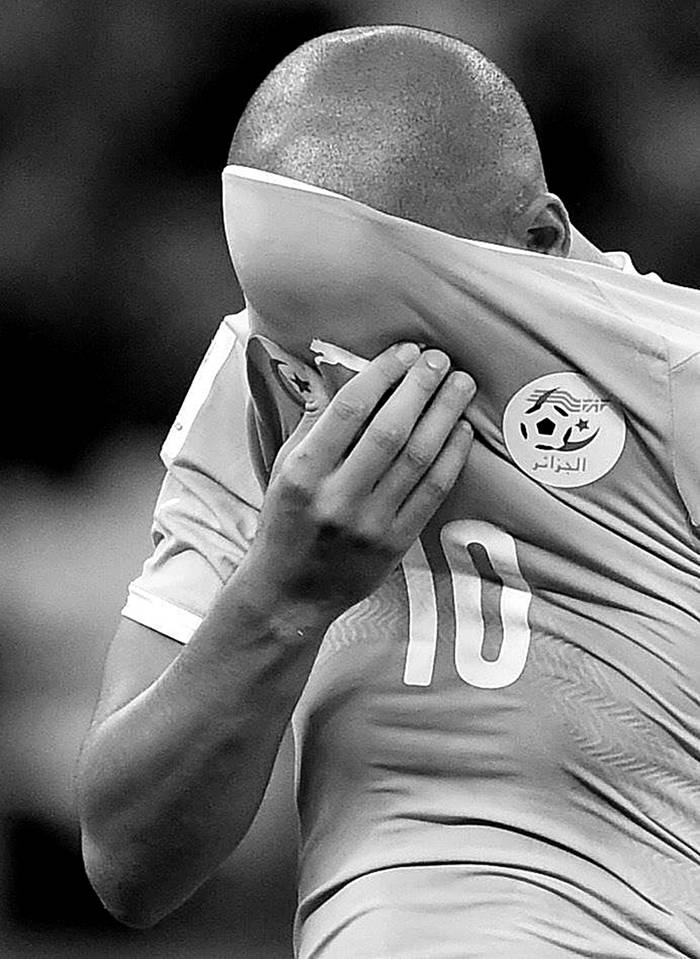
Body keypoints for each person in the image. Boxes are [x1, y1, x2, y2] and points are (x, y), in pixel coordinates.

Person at [76, 24, 700, 958]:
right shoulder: (257, 380)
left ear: (539, 240)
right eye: (304, 352)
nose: (342, 394)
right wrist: (282, 593)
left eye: (402, 335)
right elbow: (128, 863)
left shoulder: (675, 375)